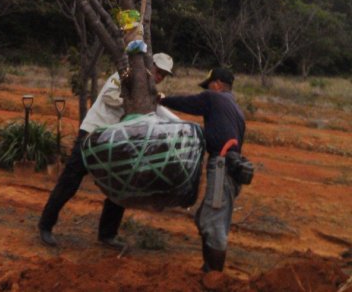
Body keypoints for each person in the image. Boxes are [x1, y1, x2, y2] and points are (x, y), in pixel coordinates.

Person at [38, 52, 174, 250]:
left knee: (120, 186)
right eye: (158, 71)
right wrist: (136, 101)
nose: (159, 76)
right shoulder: (125, 77)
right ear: (149, 65)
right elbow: (110, 98)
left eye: (163, 74)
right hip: (93, 133)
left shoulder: (147, 92)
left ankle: (108, 234)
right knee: (70, 181)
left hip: (115, 141)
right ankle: (45, 226)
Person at [160, 66, 245, 274]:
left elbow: (189, 103)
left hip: (223, 166)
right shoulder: (235, 109)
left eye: (209, 86)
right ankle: (208, 269)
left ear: (216, 84)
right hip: (232, 169)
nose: (207, 90)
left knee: (214, 225)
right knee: (204, 218)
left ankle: (214, 278)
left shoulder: (213, 98)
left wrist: (162, 99)